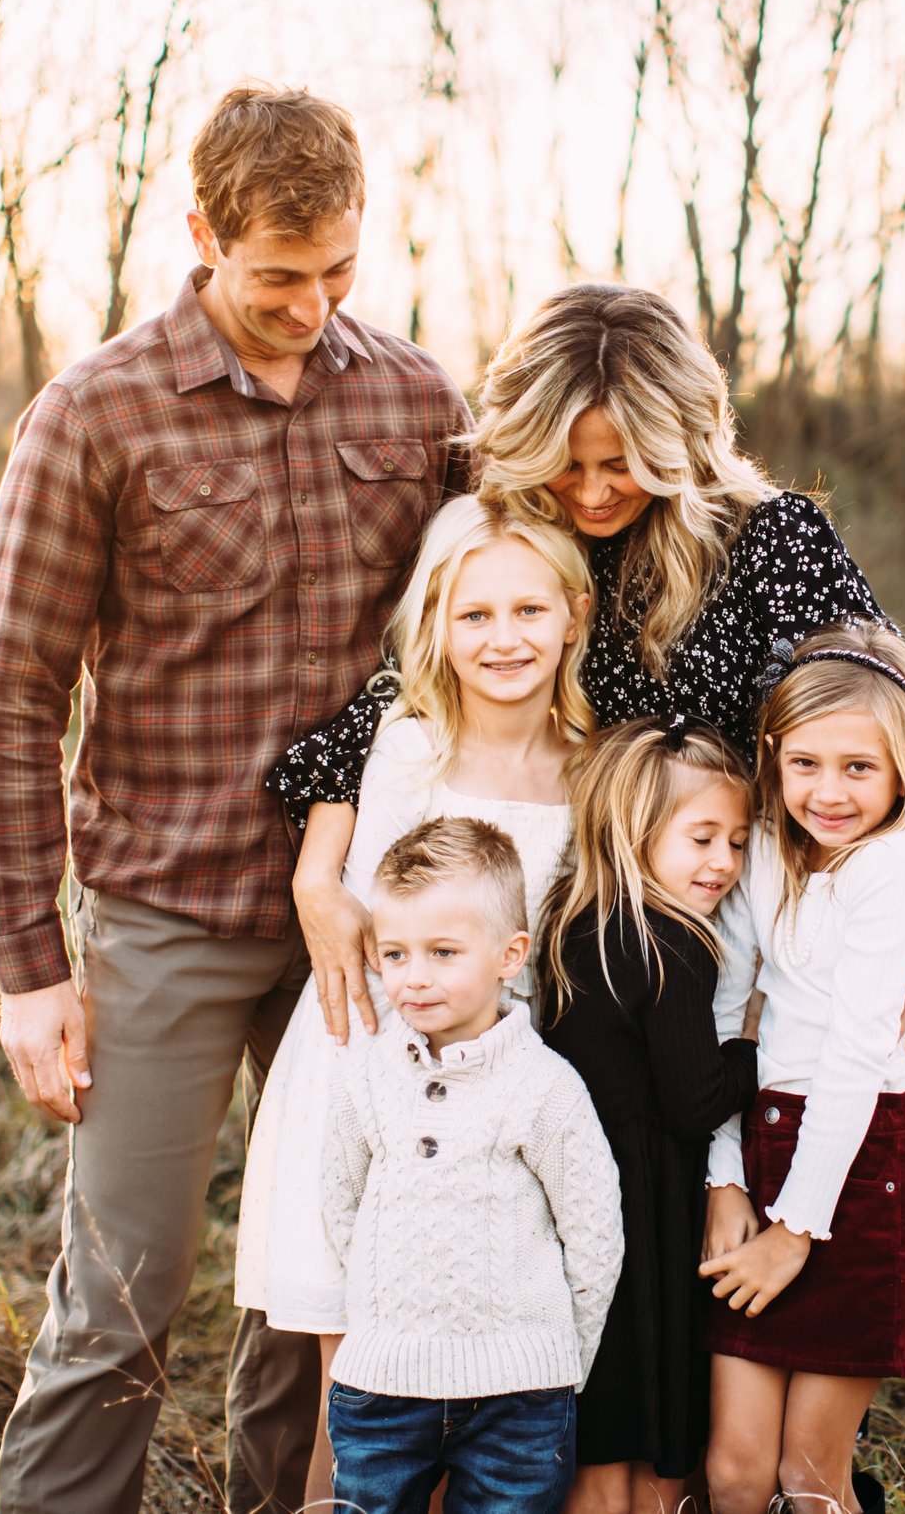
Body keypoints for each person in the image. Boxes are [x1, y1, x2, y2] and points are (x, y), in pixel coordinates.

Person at [0, 85, 469, 1514]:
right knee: (125, 1286)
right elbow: (15, 698)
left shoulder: (419, 398)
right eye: (277, 277)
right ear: (201, 234)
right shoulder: (94, 413)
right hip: (165, 912)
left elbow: (524, 590)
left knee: (328, 1283)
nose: (313, 306)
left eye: (340, 273)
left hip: (363, 929)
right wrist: (29, 968)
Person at [270, 284, 905, 1070]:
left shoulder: (771, 542)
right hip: (571, 948)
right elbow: (394, 702)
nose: (591, 493)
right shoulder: (519, 545)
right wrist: (317, 878)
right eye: (567, 465)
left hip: (739, 928)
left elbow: (892, 714)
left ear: (679, 444)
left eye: (621, 464)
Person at [235, 493, 591, 1505]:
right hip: (376, 1070)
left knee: (478, 1390)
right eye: (472, 614)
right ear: (434, 625)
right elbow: (362, 916)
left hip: (504, 1094)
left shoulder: (592, 765)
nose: (502, 637)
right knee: (366, 1388)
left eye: (527, 610)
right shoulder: (407, 748)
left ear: (571, 613)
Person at [697, 623, 905, 1514]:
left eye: (859, 767)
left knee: (809, 1481)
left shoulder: (899, 863)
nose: (829, 791)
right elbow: (728, 1015)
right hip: (769, 1142)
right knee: (734, 1472)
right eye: (805, 763)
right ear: (772, 758)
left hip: (871, 1159)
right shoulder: (765, 846)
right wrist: (725, 1180)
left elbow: (858, 1052)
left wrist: (796, 1230)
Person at [318, 816, 625, 1514]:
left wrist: (555, 1355)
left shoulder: (545, 1086)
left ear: (509, 954)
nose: (413, 977)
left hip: (521, 1398)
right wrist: (378, 1318)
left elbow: (594, 1229)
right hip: (381, 1387)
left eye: (443, 951)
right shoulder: (366, 1077)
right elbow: (340, 1202)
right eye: (394, 954)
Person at [532, 716, 766, 1514]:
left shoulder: (572, 921)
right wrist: (755, 1050)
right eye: (702, 837)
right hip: (645, 1198)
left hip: (573, 1192)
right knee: (647, 1401)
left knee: (601, 1414)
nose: (723, 863)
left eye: (736, 842)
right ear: (635, 829)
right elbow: (694, 1097)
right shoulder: (672, 944)